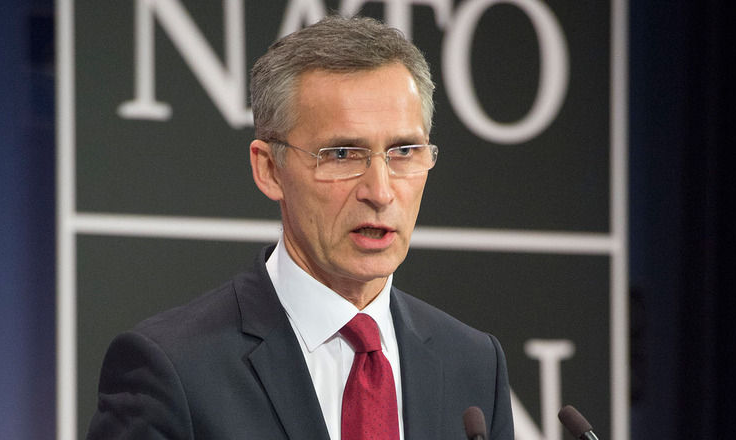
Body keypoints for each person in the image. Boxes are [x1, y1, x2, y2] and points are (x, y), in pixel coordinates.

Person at [86, 15, 513, 440]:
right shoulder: (174, 368)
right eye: (342, 154)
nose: (381, 192)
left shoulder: (474, 363)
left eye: (403, 151)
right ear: (270, 169)